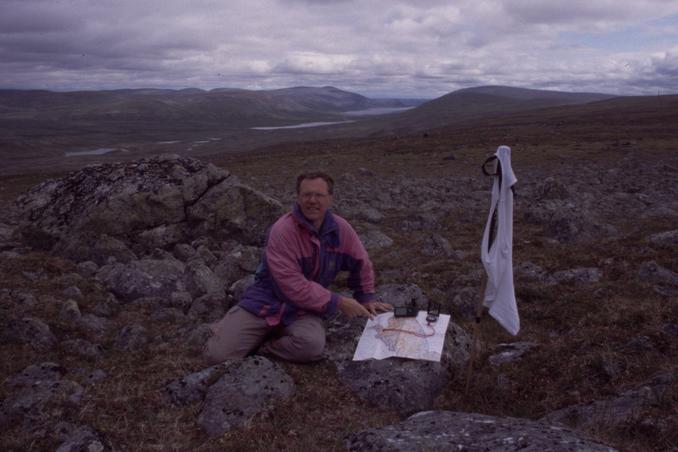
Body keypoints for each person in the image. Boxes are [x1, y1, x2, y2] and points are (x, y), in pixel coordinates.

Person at [203, 171, 391, 364]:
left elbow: (361, 262)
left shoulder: (341, 229)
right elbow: (292, 285)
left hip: (304, 309)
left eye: (319, 195)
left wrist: (365, 297)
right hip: (265, 302)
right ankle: (236, 331)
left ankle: (264, 349)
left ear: (330, 199)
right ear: (298, 198)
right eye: (306, 195)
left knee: (311, 347)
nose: (312, 200)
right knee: (217, 356)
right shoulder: (282, 231)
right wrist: (339, 302)